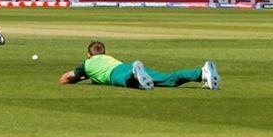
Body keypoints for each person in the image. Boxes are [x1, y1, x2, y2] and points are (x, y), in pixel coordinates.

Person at [58, 41, 220, 90]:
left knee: (127, 81)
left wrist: (80, 76)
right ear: (105, 52)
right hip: (125, 65)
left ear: (89, 54)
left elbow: (64, 79)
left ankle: (135, 75)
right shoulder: (109, 58)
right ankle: (201, 73)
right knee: (167, 78)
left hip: (116, 74)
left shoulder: (87, 64)